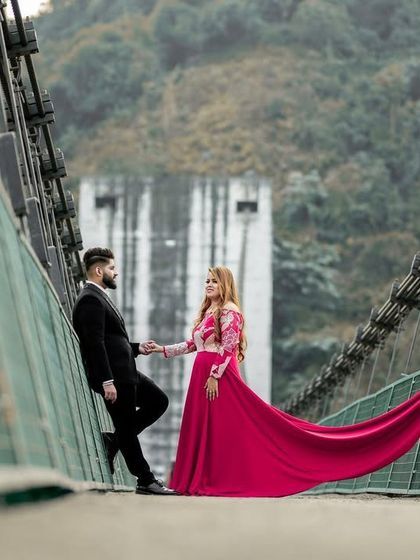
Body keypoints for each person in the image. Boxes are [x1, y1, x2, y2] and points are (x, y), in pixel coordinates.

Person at [147, 265, 420, 497]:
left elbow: (229, 348)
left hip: (216, 377)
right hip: (201, 375)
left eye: (214, 280)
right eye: (207, 280)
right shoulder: (210, 312)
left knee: (226, 430)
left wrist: (215, 376)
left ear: (225, 284)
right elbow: (193, 344)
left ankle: (216, 479)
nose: (208, 284)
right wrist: (163, 350)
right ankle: (196, 479)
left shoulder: (230, 311)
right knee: (207, 428)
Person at [72, 247, 176, 495]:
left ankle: (114, 440)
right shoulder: (89, 299)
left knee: (158, 401)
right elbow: (94, 344)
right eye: (111, 268)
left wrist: (137, 347)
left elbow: (111, 340)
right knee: (127, 427)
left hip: (126, 372)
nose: (115, 273)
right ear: (99, 271)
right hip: (115, 377)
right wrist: (107, 380)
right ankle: (146, 480)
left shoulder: (99, 297)